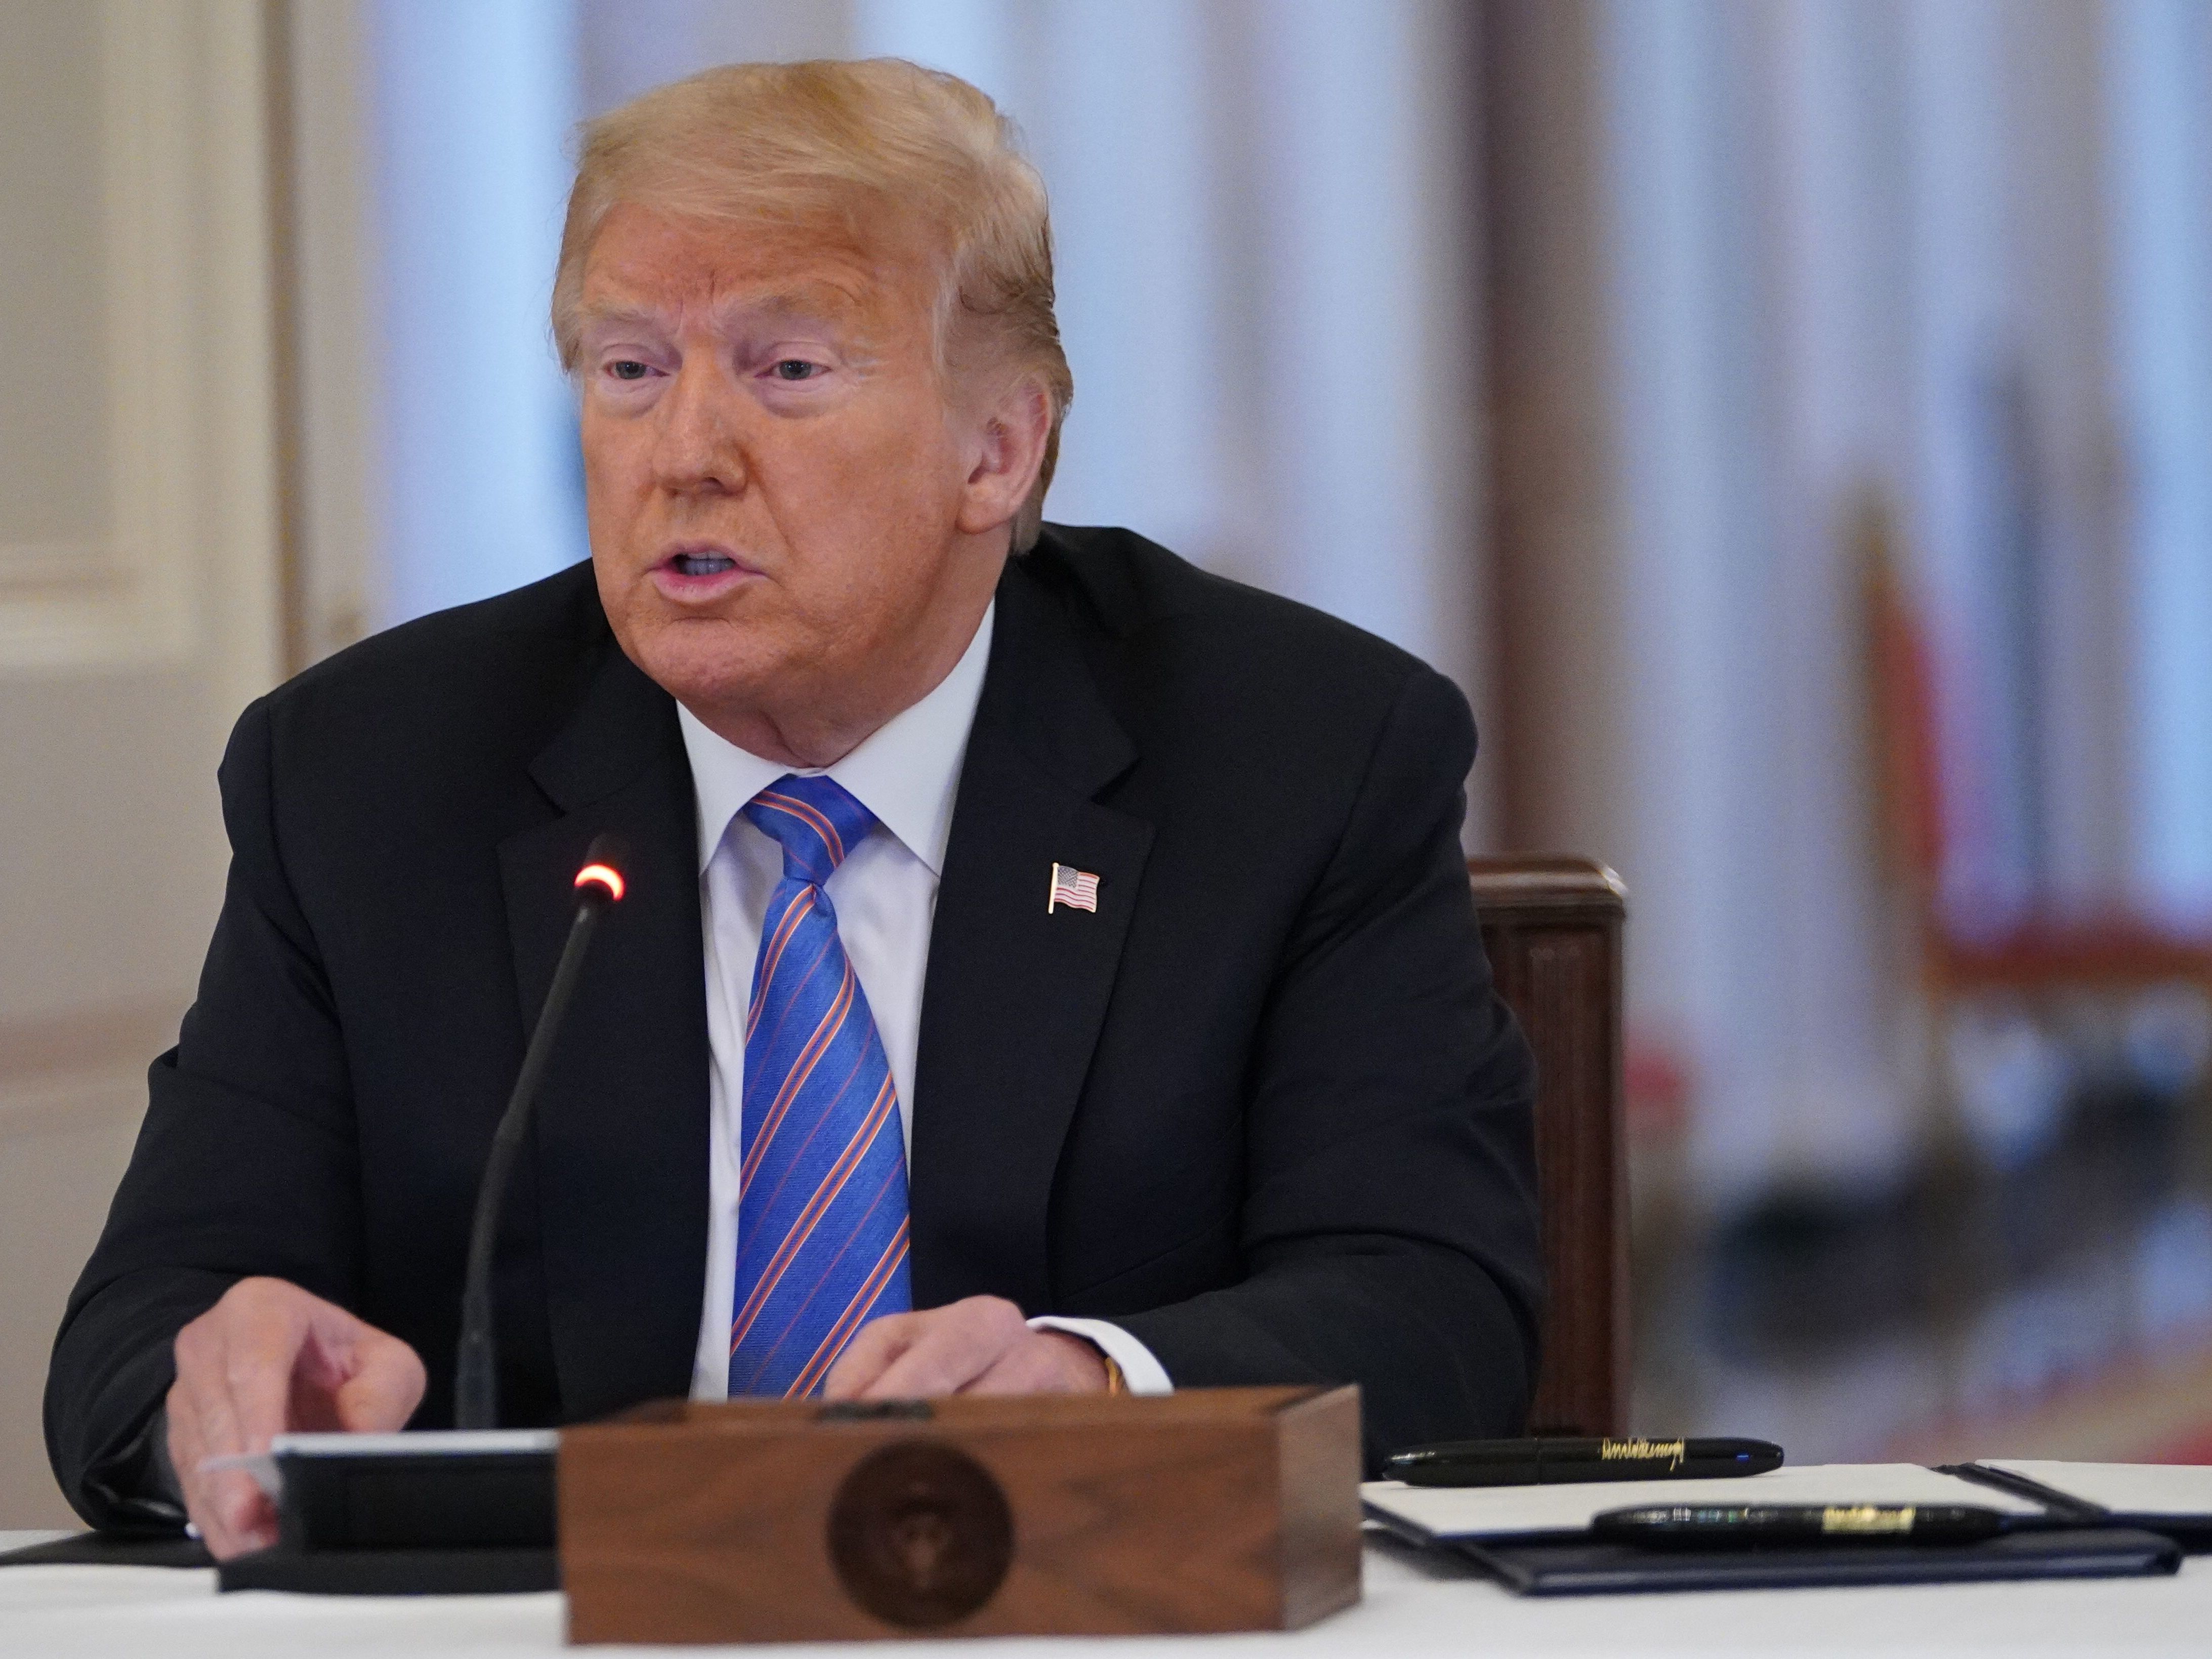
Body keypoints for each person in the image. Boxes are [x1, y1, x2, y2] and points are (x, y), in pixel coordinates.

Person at [46, 59, 1541, 1559]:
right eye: (630, 369)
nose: (683, 455)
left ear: (996, 449)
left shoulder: (1296, 754)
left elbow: (1433, 1303)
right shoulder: (372, 778)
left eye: (788, 371)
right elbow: (138, 1337)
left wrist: (1090, 1384)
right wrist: (221, 1390)